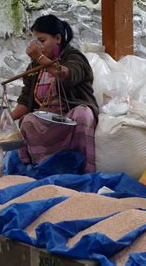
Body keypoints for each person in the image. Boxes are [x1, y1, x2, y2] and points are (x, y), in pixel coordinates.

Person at [10, 14, 98, 173]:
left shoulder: (74, 58)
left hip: (70, 119)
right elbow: (25, 101)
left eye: (42, 41)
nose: (38, 46)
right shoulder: (34, 68)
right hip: (48, 121)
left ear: (58, 38)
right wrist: (6, 120)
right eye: (36, 42)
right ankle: (42, 169)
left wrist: (40, 58)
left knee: (84, 114)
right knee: (28, 120)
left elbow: (66, 75)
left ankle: (84, 171)